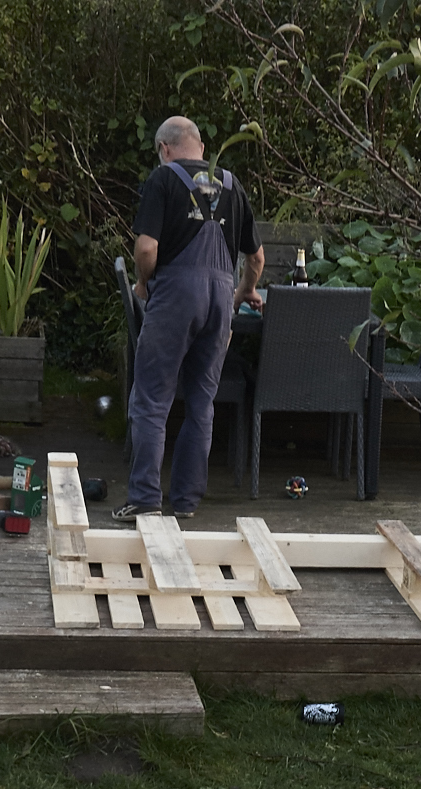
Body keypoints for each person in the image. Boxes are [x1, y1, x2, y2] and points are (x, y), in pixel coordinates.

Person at [113, 116, 266, 522]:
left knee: (151, 399)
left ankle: (145, 497)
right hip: (219, 298)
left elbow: (146, 249)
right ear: (199, 145)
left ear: (165, 149)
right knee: (202, 402)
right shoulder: (233, 185)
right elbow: (256, 258)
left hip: (176, 299)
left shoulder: (163, 181)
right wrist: (244, 292)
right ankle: (185, 503)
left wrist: (144, 283)